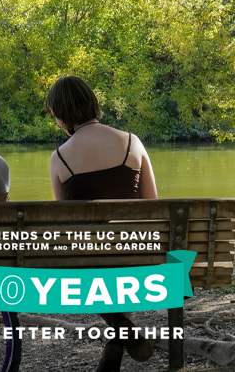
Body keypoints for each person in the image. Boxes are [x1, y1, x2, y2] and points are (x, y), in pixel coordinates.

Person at [43, 75, 160, 363]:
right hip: (137, 254)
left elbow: (66, 222)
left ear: (62, 115)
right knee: (122, 254)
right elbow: (154, 207)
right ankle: (119, 337)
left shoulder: (59, 158)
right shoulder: (132, 142)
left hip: (88, 261)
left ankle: (120, 330)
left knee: (83, 256)